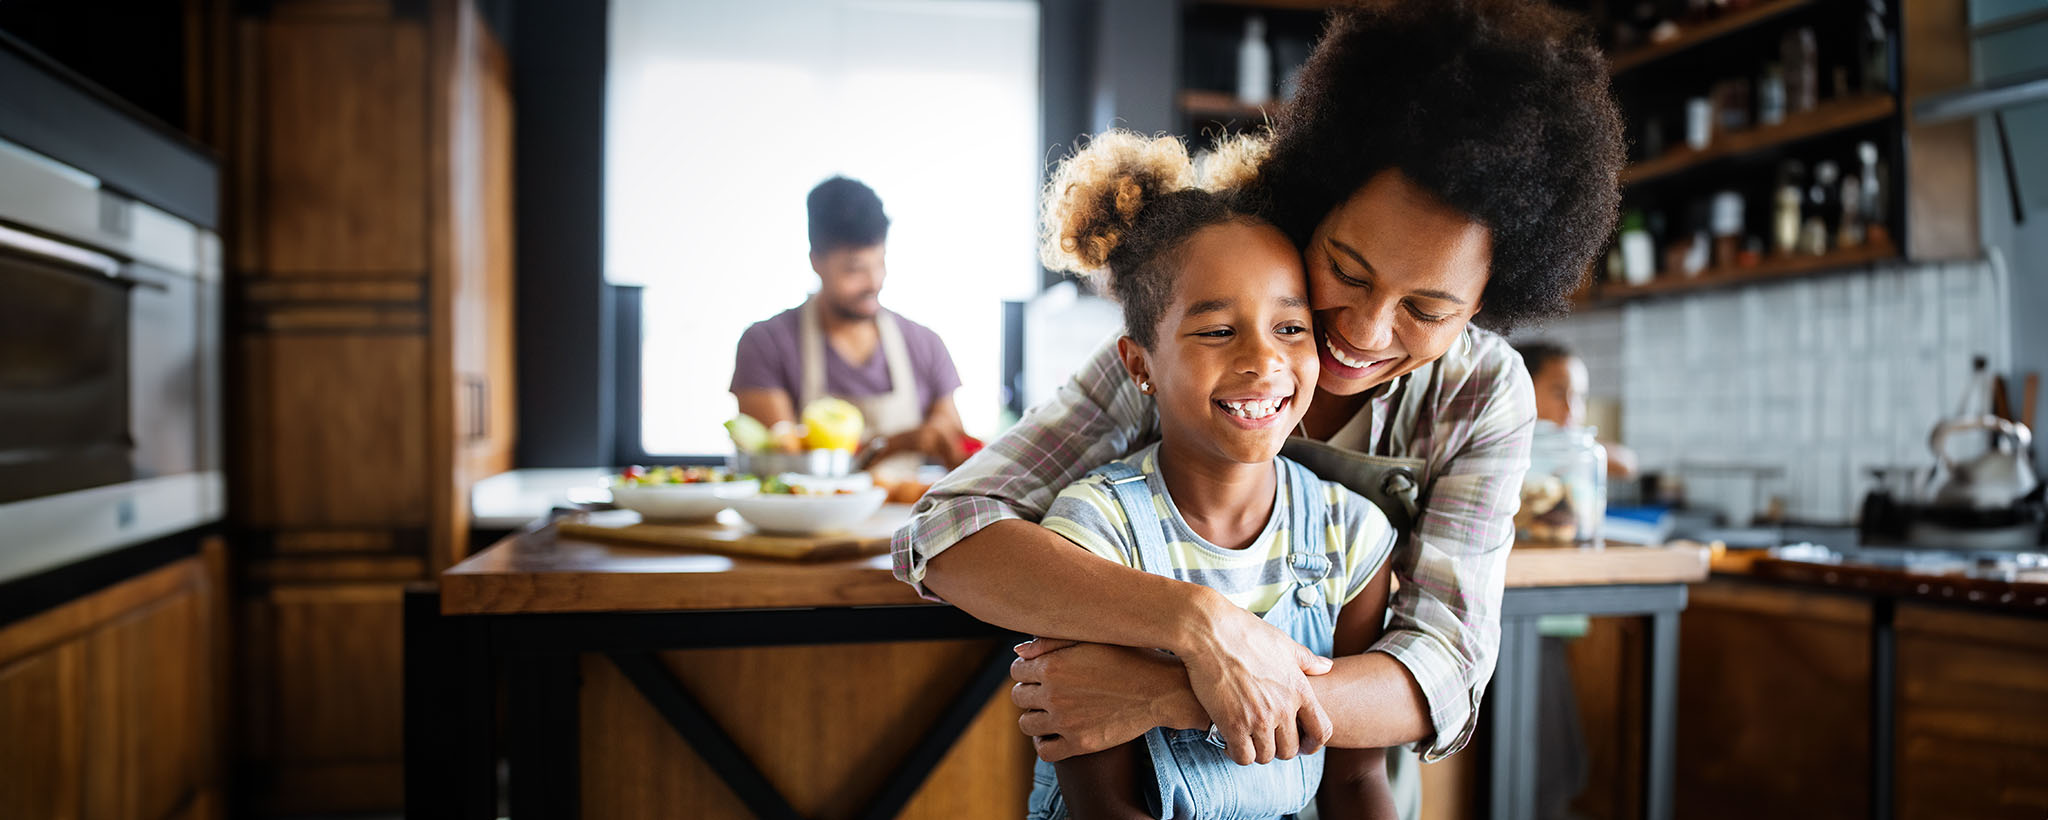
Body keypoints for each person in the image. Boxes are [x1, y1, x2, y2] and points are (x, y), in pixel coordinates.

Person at [893, 0, 1624, 813]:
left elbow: (1442, 672)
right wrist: (1202, 625)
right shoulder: (1203, 328)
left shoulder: (1481, 392)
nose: (1363, 331)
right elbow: (948, 534)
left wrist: (1178, 693)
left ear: (1488, 302)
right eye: (1347, 271)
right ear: (1318, 202)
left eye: (1427, 310)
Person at [1023, 131, 1399, 820]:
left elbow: (1353, 782)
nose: (1264, 361)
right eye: (1219, 331)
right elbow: (1102, 806)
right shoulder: (1096, 532)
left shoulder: (1351, 534)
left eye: (1290, 328)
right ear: (1140, 365)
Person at [730, 176, 968, 472]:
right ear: (815, 261)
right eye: (855, 270)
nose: (873, 283)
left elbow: (955, 443)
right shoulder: (766, 343)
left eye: (879, 264)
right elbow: (785, 462)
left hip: (910, 517)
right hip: (807, 519)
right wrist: (895, 443)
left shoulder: (924, 344)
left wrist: (942, 433)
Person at [1515, 341, 1639, 477]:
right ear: (1523, 391)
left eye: (1579, 396)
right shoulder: (1512, 448)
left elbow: (1626, 463)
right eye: (1558, 393)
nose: (1571, 408)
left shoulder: (1579, 449)